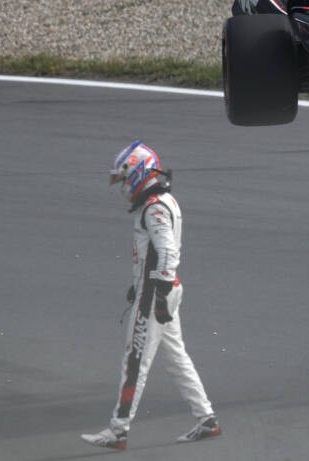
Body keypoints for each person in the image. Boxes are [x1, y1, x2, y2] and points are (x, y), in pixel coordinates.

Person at [81, 140, 220, 450]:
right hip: (162, 289)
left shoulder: (155, 206)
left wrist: (156, 293)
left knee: (135, 361)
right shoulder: (164, 200)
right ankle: (207, 419)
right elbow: (159, 255)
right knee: (176, 358)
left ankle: (118, 431)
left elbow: (167, 251)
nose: (121, 187)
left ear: (137, 172)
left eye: (123, 178)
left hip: (156, 293)